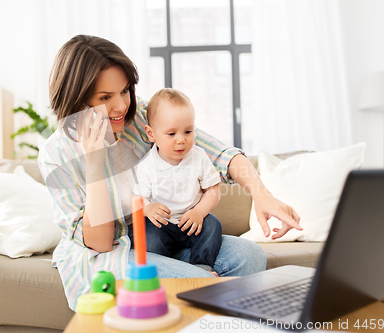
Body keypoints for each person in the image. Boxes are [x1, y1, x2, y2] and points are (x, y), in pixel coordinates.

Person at [38, 34, 302, 311]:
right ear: (77, 99)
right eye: (105, 97)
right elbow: (101, 243)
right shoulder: (57, 155)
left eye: (125, 91)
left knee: (249, 256)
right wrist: (93, 165)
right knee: (198, 282)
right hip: (116, 253)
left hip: (166, 234)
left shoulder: (141, 116)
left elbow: (220, 153)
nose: (121, 106)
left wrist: (262, 196)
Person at [133, 88, 223, 276]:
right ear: (151, 134)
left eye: (188, 131)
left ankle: (202, 268)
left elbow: (213, 189)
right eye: (171, 134)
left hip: (192, 222)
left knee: (213, 225)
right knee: (146, 235)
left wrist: (199, 212)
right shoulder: (146, 166)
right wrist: (148, 208)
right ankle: (166, 267)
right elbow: (137, 198)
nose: (181, 140)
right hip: (163, 225)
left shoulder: (198, 156)